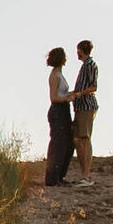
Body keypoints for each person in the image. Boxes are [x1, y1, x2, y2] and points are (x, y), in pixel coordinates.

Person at [42, 46, 76, 186]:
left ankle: (59, 176)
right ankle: (52, 178)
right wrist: (67, 99)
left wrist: (71, 94)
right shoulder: (54, 76)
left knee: (67, 143)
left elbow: (60, 94)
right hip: (58, 111)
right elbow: (54, 97)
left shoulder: (59, 75)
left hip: (63, 110)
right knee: (59, 144)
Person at [70, 38, 100, 182]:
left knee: (85, 138)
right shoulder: (85, 66)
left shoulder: (90, 65)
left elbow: (93, 86)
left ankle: (86, 175)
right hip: (80, 106)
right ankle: (84, 174)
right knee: (78, 139)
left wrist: (80, 94)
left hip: (86, 105)